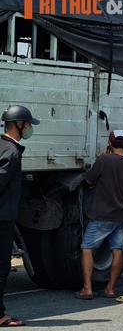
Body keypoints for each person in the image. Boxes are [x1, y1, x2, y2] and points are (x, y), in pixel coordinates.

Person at [76, 130, 123, 300]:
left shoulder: (104, 160)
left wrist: (101, 158)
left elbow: (89, 179)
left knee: (87, 248)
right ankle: (110, 289)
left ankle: (87, 289)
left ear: (110, 144)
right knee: (117, 249)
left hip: (102, 214)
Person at [0, 105, 38, 327]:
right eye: (28, 124)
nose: (30, 128)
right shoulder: (12, 151)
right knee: (2, 266)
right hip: (2, 218)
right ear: (19, 125)